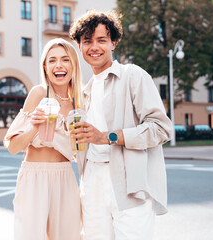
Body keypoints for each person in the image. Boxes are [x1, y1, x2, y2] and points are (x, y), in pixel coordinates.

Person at [69, 10, 173, 240]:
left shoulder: (132, 76)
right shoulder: (83, 92)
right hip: (92, 181)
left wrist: (108, 137)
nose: (94, 47)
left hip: (128, 182)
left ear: (113, 43)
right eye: (87, 41)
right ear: (79, 46)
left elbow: (162, 128)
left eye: (101, 40)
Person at [3, 38, 83, 240]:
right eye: (52, 60)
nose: (59, 65)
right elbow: (12, 146)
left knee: (69, 236)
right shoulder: (39, 93)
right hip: (34, 177)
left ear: (73, 65)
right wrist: (33, 127)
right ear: (45, 68)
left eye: (65, 59)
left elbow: (78, 152)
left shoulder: (80, 103)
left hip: (66, 177)